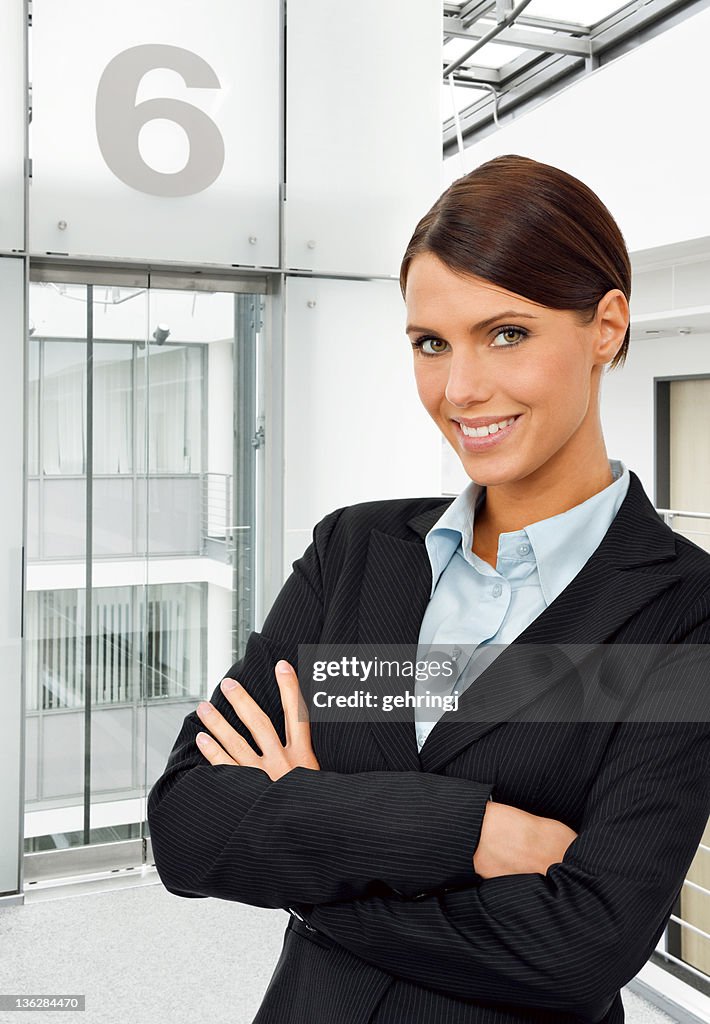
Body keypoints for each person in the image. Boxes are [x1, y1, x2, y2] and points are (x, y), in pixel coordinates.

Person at [147, 154, 710, 1024]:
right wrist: (471, 833)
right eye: (430, 343)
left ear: (606, 328)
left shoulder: (682, 613)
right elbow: (187, 828)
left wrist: (307, 832)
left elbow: (582, 948)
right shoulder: (356, 554)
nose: (459, 389)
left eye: (507, 333)